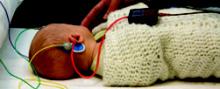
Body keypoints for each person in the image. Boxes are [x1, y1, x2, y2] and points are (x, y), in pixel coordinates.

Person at [29, 3, 220, 86]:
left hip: (195, 20)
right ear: (74, 39)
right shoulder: (112, 61)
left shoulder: (103, 37)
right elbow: (148, 57)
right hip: (198, 46)